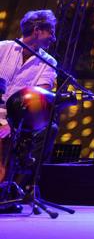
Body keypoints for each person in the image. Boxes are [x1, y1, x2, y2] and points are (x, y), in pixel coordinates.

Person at [0, 10, 59, 177]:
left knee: (50, 129)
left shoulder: (49, 63)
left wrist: (11, 124)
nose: (53, 38)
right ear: (37, 30)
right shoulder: (2, 48)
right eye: (51, 32)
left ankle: (20, 185)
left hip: (20, 120)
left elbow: (39, 101)